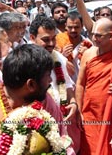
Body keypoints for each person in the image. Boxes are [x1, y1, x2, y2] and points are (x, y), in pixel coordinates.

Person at [0, 44, 74, 154]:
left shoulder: (46, 101)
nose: (50, 81)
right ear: (31, 85)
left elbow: (62, 142)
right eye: (48, 75)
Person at [75, 17, 112, 155]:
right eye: (93, 34)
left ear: (111, 36)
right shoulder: (88, 55)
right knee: (91, 149)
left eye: (98, 35)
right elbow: (80, 84)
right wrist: (79, 111)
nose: (94, 38)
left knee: (110, 149)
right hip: (90, 114)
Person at [29, 16, 79, 153]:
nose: (51, 43)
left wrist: (73, 102)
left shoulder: (58, 58)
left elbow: (68, 84)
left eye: (53, 38)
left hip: (61, 121)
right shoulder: (25, 62)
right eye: (45, 40)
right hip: (36, 125)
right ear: (32, 37)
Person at [56, 12, 92, 82]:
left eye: (76, 27)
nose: (73, 30)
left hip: (84, 83)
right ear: (65, 26)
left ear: (82, 26)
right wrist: (62, 56)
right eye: (70, 27)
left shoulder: (88, 44)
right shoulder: (58, 41)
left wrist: (87, 54)